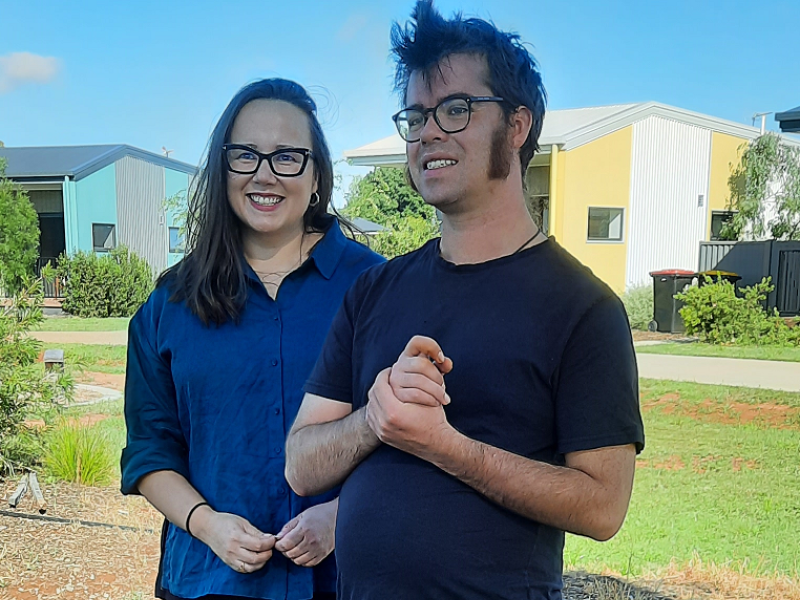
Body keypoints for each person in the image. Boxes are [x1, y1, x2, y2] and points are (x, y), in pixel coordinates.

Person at [284, 3, 645, 599]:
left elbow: (603, 505)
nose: (428, 133)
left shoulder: (583, 308)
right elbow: (301, 463)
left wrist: (444, 444)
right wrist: (375, 420)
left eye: (455, 110)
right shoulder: (374, 290)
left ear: (518, 125)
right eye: (417, 115)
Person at [120, 78, 384, 600]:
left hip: (344, 578)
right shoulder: (171, 303)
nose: (265, 175)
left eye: (287, 156)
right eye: (246, 155)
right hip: (207, 581)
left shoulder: (376, 287)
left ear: (316, 176)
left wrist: (341, 514)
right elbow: (149, 454)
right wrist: (207, 525)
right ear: (223, 168)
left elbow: (407, 433)